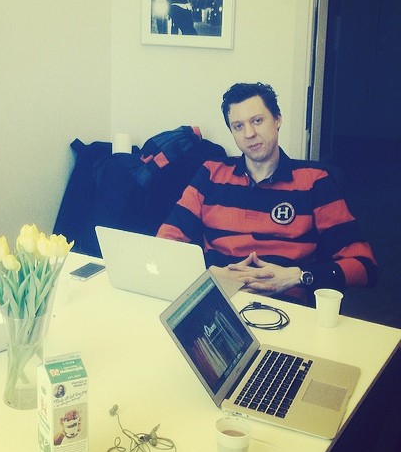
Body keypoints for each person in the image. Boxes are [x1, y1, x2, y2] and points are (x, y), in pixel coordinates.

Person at [158, 82, 377, 301]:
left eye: (257, 121)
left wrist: (298, 277)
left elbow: (364, 266)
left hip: (289, 308)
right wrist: (209, 276)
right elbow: (165, 243)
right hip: (220, 302)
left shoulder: (315, 181)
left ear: (277, 120)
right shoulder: (211, 174)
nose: (249, 134)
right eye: (238, 126)